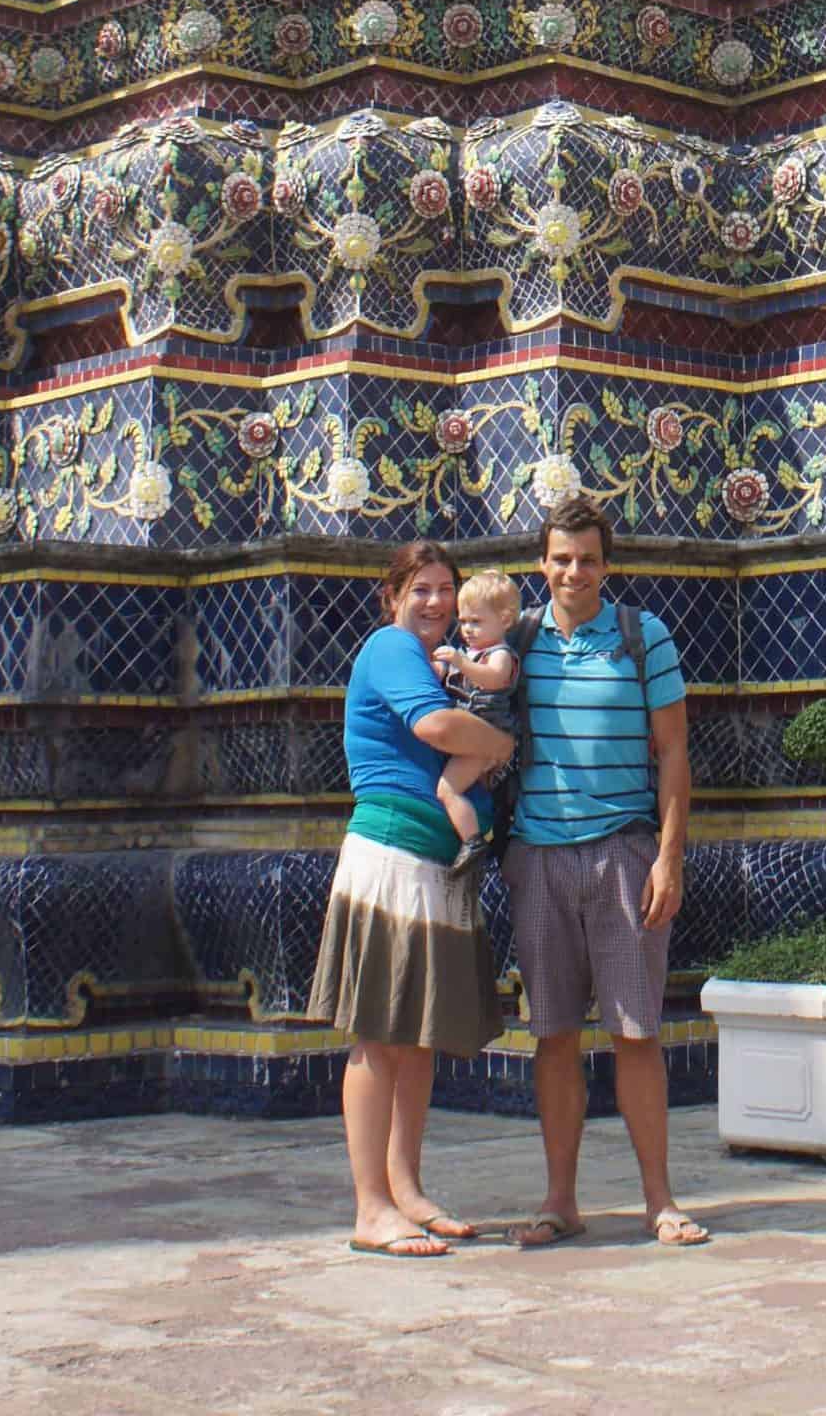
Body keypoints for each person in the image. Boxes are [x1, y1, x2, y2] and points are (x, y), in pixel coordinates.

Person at [503, 494, 709, 1249]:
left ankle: (660, 1201)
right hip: (537, 855)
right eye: (561, 559)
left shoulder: (640, 636)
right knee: (553, 1034)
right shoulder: (516, 643)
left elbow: (675, 752)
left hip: (624, 853)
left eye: (587, 559)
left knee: (635, 1032)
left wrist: (667, 856)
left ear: (606, 565)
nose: (574, 572)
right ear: (542, 564)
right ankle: (560, 1200)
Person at [308, 539, 512, 1260]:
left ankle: (407, 1190)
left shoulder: (439, 663)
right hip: (390, 856)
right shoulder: (389, 647)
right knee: (379, 1036)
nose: (434, 601)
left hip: (429, 862)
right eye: (420, 588)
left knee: (418, 1038)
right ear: (392, 596)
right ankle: (370, 1205)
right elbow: (434, 728)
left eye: (444, 589)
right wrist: (497, 742)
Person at [433, 568, 523, 859]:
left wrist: (459, 661)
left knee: (447, 790)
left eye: (476, 621)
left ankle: (472, 840)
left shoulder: (500, 655)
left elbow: (493, 679)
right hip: (467, 734)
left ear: (505, 620)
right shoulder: (469, 654)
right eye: (463, 621)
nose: (467, 629)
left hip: (485, 738)